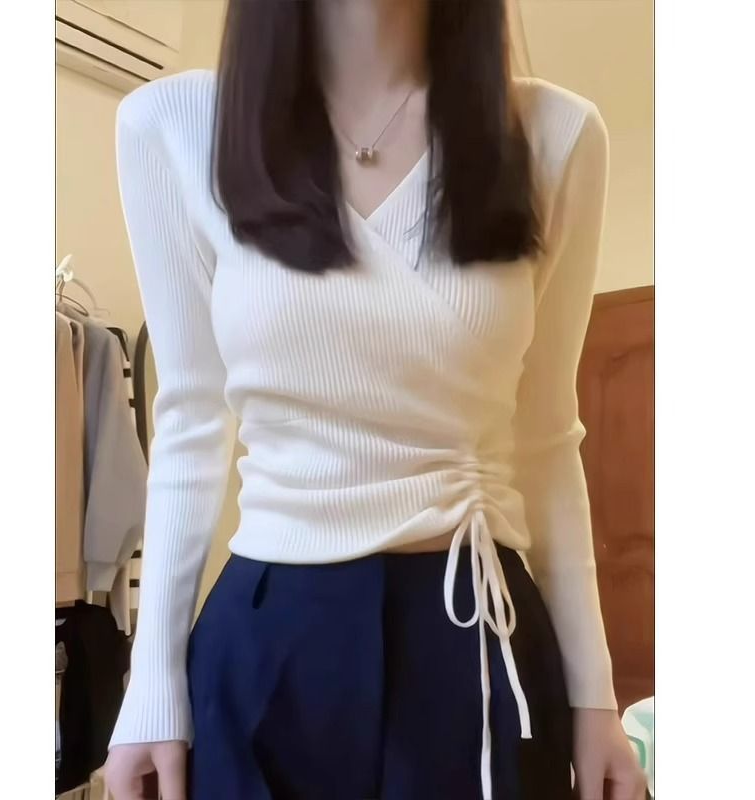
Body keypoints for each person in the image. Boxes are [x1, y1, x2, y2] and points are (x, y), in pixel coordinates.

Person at [105, 1, 647, 798]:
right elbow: (189, 419)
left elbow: (546, 440)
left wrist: (593, 698)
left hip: (477, 639)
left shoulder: (555, 136)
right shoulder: (174, 127)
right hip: (270, 644)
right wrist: (151, 690)